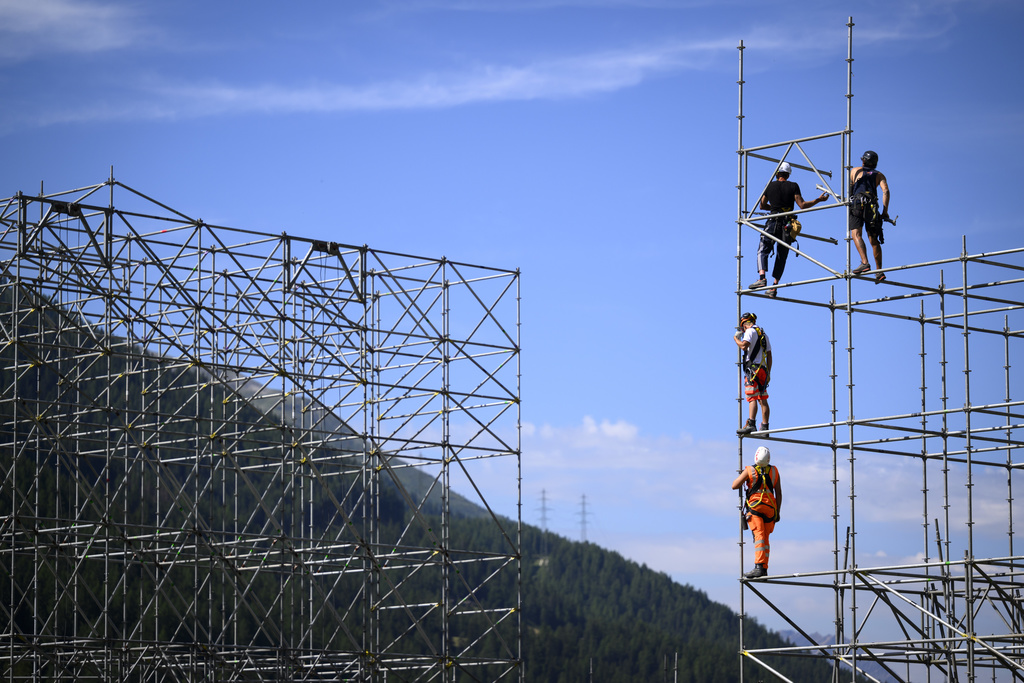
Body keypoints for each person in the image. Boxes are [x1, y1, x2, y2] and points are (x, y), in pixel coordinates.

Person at [750, 162, 828, 297]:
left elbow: (762, 206)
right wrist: (818, 200)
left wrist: (775, 207)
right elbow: (802, 205)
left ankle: (762, 278)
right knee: (782, 255)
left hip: (773, 221)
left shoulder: (770, 185)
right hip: (787, 224)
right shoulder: (793, 186)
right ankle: (774, 287)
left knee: (763, 249)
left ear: (777, 173)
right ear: (788, 174)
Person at [732, 446, 782, 579]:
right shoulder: (774, 471)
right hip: (770, 509)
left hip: (755, 507)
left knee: (759, 535)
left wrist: (743, 475)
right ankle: (764, 568)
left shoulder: (750, 470)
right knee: (765, 538)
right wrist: (778, 512)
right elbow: (778, 493)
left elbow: (734, 485)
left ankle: (759, 567)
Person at [848, 150, 892, 283]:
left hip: (857, 204)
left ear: (863, 161)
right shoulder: (879, 175)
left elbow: (850, 190)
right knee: (874, 240)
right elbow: (886, 191)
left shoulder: (854, 171)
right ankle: (879, 271)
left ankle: (864, 262)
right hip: (872, 207)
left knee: (856, 234)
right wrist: (885, 211)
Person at [734, 311, 771, 435]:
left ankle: (752, 424)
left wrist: (735, 339)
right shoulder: (763, 334)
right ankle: (765, 427)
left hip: (752, 370)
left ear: (744, 324)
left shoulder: (750, 332)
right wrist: (769, 372)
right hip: (763, 370)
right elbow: (769, 355)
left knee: (752, 398)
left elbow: (744, 346)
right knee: (763, 399)